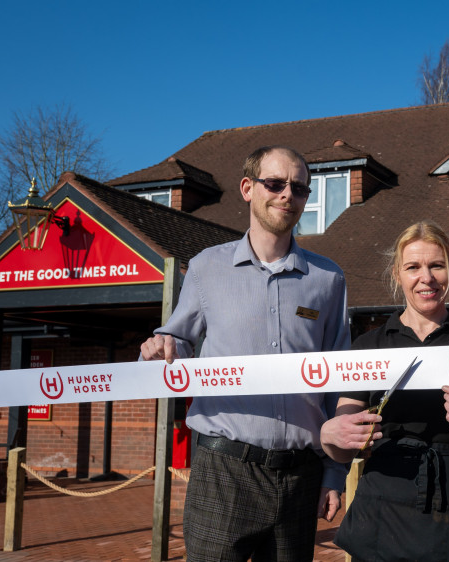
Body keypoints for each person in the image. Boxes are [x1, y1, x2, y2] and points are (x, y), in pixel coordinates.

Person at [140, 145, 349, 562]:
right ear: (248, 188)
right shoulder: (205, 268)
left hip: (301, 475)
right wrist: (163, 344)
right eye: (275, 183)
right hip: (224, 471)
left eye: (300, 188)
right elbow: (178, 339)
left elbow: (341, 380)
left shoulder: (329, 279)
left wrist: (334, 470)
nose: (288, 195)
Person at [320, 221, 449, 561]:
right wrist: (328, 434)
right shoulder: (368, 346)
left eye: (436, 265)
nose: (426, 277)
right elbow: (342, 449)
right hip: (385, 510)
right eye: (413, 267)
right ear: (397, 274)